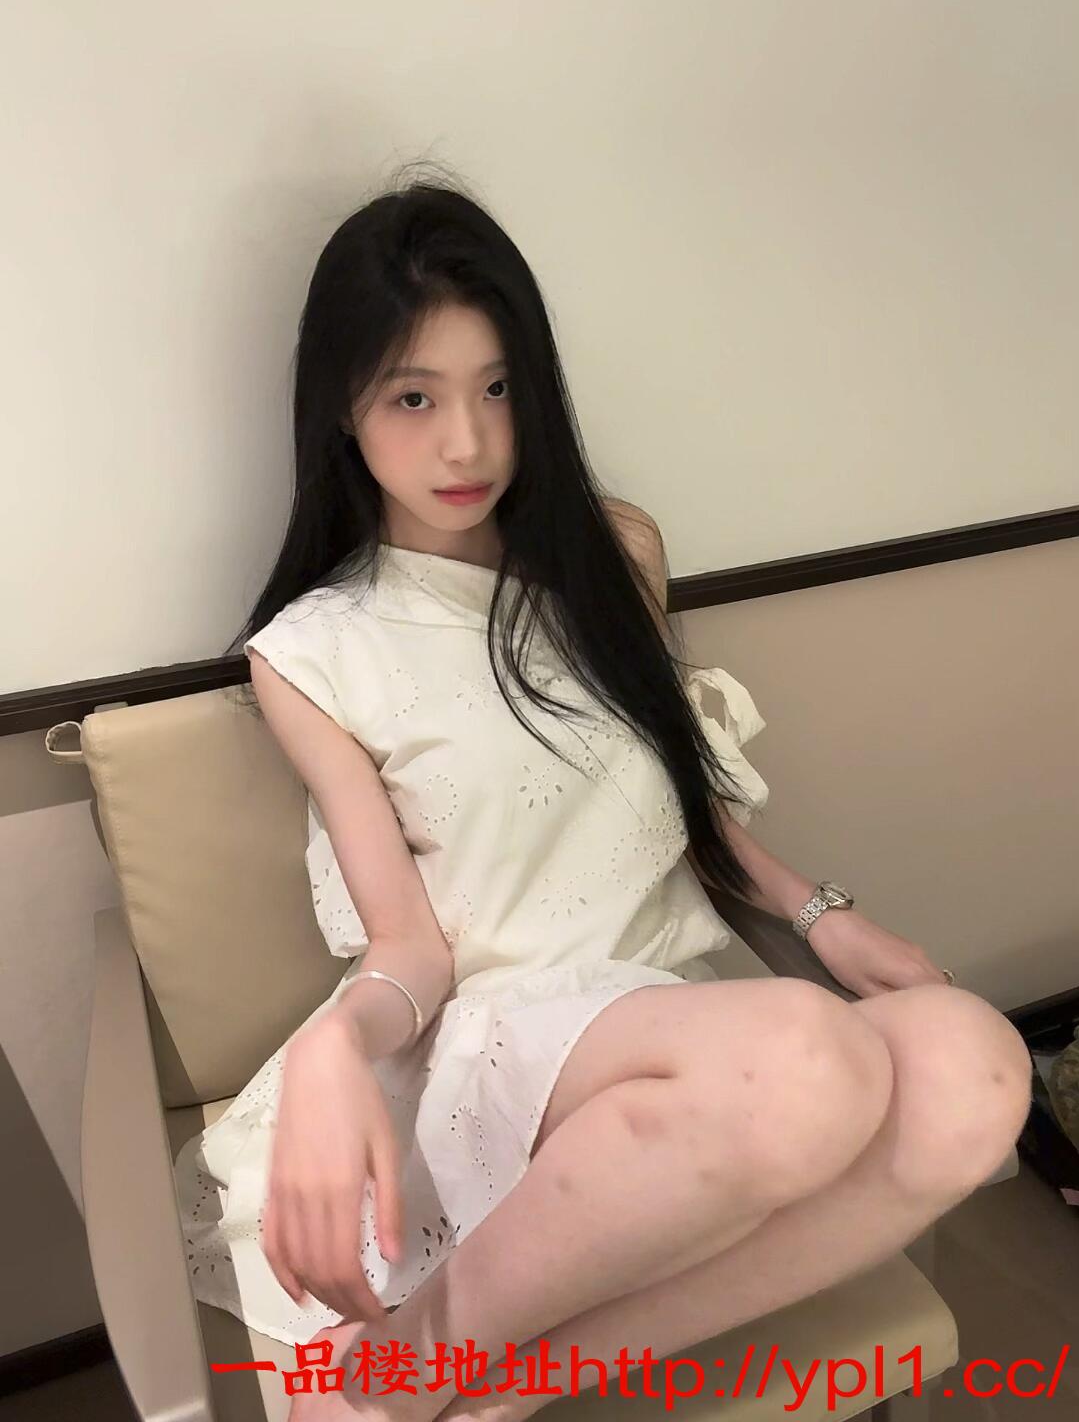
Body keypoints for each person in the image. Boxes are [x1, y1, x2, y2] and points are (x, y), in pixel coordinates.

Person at [172, 167, 1033, 1421]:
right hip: (503, 1032)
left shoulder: (611, 555)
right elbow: (408, 943)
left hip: (667, 1017)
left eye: (497, 389)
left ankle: (478, 1384)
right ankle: (412, 1367)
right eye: (414, 396)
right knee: (810, 1063)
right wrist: (331, 1051)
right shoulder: (317, 649)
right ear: (341, 409)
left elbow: (672, 794)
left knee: (977, 1067)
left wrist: (820, 911)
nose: (467, 442)